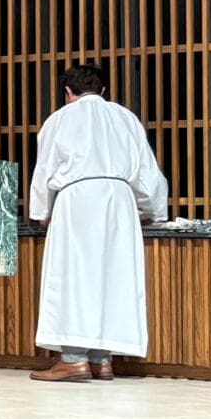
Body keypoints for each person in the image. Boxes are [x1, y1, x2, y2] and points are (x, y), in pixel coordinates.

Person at [29, 61, 168, 381]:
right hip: (118, 200)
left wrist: (40, 212)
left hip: (76, 200)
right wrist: (155, 209)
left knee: (73, 276)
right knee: (112, 277)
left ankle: (73, 359)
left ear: (67, 92)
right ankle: (102, 360)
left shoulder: (59, 119)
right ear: (103, 91)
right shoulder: (125, 118)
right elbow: (146, 169)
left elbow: (44, 168)